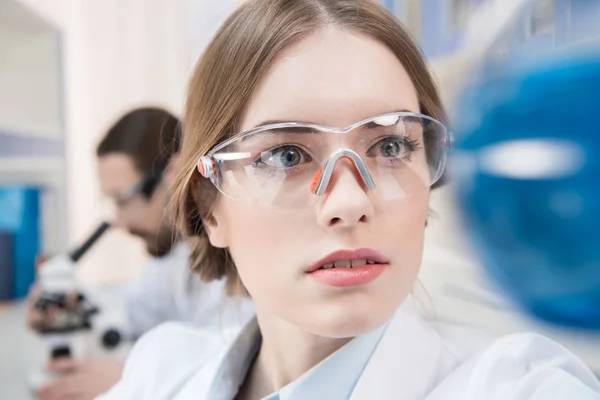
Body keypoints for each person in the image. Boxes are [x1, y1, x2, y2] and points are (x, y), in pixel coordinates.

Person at [100, 1, 600, 399]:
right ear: (209, 208)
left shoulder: (517, 384)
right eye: (286, 154)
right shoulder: (164, 368)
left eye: (390, 146)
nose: (349, 202)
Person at [27, 108, 254, 400]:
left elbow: (238, 360)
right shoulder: (173, 256)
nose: (120, 222)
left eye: (124, 199)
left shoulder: (238, 256)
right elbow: (138, 307)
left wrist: (129, 377)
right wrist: (70, 304)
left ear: (173, 173)